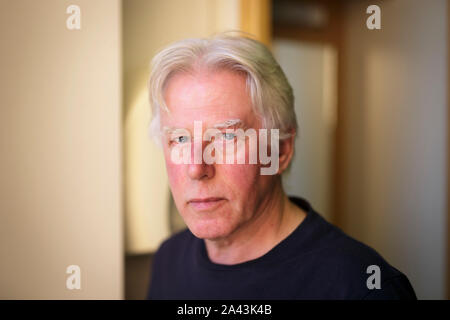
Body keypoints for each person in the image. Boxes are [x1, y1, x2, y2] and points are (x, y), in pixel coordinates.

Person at [146, 33, 416, 299]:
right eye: (180, 139)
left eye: (226, 136)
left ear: (281, 150)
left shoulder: (361, 287)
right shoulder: (168, 260)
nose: (196, 168)